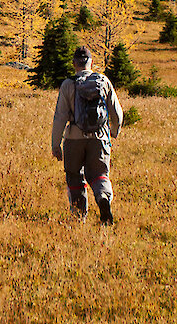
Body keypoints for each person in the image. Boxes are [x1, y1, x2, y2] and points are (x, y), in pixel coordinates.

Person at [51, 45, 123, 224]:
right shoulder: (103, 81)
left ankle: (78, 216)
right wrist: (114, 131)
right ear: (91, 63)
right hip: (99, 137)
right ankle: (103, 199)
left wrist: (55, 145)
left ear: (74, 64)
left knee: (74, 175)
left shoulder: (68, 84)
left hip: (73, 138)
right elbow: (117, 113)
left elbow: (60, 116)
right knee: (100, 174)